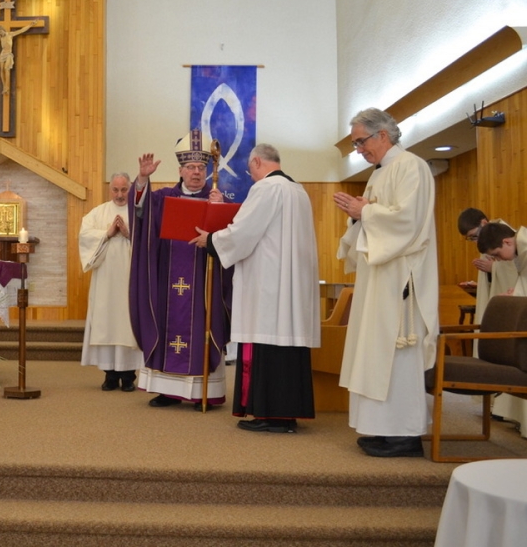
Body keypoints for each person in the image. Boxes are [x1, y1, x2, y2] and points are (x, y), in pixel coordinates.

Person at [190, 143, 320, 433]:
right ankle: (287, 415)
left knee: (266, 343)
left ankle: (270, 414)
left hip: (269, 287)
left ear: (258, 162)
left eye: (250, 170)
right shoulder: (298, 191)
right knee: (287, 348)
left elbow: (244, 231)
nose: (251, 176)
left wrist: (211, 241)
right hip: (291, 287)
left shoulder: (266, 189)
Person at [333, 108, 439, 458]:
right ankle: (380, 427)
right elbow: (372, 218)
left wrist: (364, 212)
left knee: (397, 353)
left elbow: (407, 222)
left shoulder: (411, 167)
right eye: (355, 144)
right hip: (378, 276)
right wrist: (358, 216)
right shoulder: (379, 173)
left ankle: (405, 435)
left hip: (400, 277)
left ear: (383, 135)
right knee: (374, 352)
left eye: (361, 141)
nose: (359, 149)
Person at [129, 130, 232, 410]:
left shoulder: (216, 200)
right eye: (190, 167)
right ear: (180, 170)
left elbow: (231, 239)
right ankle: (167, 390)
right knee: (167, 327)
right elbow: (139, 211)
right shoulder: (163, 198)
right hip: (168, 280)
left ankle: (204, 392)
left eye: (201, 167)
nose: (196, 172)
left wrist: (220, 212)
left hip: (203, 280)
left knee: (202, 326)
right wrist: (142, 179)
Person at [79, 172, 144, 391]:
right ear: (110, 190)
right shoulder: (98, 212)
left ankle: (128, 377)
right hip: (105, 279)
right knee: (106, 321)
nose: (119, 194)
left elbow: (148, 240)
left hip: (129, 278)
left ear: (130, 188)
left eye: (124, 189)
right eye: (115, 189)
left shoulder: (138, 212)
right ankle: (109, 375)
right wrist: (107, 233)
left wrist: (128, 233)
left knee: (127, 322)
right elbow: (84, 236)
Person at [476, 221, 527, 437]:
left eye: (497, 254)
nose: (498, 260)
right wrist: (515, 293)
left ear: (508, 241)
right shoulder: (521, 251)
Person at [456, 208, 518, 322]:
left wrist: (493, 268)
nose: (475, 241)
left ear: (484, 223)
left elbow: (518, 272)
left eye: (474, 236)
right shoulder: (487, 240)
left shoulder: (508, 237)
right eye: (471, 239)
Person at [0, 20, 40, 95]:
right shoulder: (0, 36)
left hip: (9, 54)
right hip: (2, 54)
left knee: (7, 69)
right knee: (1, 70)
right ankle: (4, 86)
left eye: (1, 32)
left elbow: (21, 30)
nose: (0, 33)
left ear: (3, 30)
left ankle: (7, 87)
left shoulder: (10, 34)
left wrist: (30, 25)